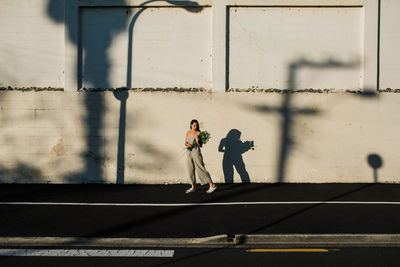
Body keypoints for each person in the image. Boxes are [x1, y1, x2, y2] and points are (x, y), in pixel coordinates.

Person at [185, 119, 217, 194]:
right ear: (191, 125)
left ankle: (212, 185)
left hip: (196, 152)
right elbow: (185, 142)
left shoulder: (199, 133)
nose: (195, 127)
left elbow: (200, 146)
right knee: (190, 169)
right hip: (189, 152)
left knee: (200, 168)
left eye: (196, 125)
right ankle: (193, 187)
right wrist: (187, 144)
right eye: (194, 125)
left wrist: (197, 141)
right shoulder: (188, 132)